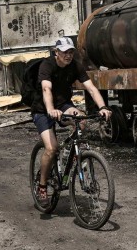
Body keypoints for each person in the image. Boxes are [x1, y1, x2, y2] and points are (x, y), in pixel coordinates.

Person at [32, 36, 111, 208]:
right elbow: (46, 89)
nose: (68, 55)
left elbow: (91, 88)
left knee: (81, 120)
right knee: (51, 148)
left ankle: (70, 152)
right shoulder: (47, 65)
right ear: (56, 52)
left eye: (70, 52)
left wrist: (103, 107)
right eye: (64, 52)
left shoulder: (75, 65)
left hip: (63, 105)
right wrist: (51, 110)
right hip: (43, 109)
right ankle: (42, 186)